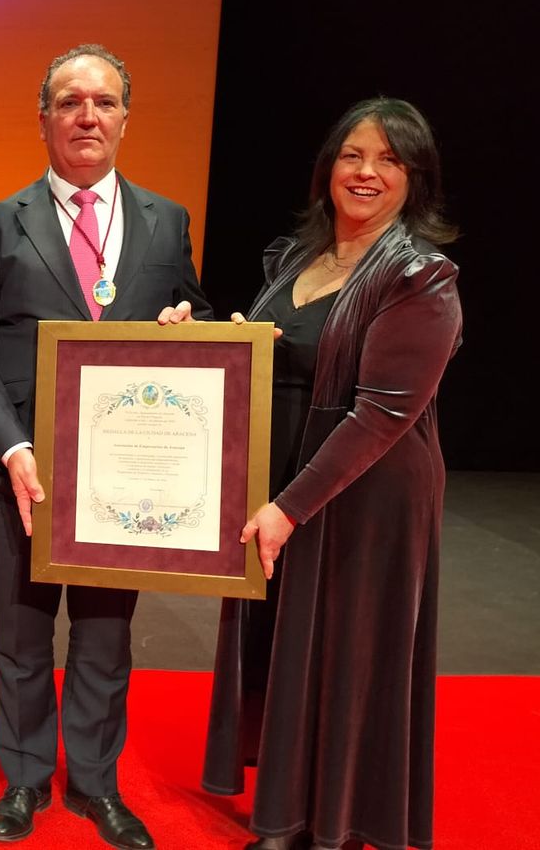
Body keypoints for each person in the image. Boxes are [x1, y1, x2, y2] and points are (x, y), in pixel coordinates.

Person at [0, 43, 212, 848]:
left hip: (125, 482)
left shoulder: (168, 221)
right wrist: (14, 449)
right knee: (22, 634)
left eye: (102, 102)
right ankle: (25, 779)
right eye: (69, 102)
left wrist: (188, 328)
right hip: (20, 471)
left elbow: (192, 316)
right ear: (44, 120)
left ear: (125, 118)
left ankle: (96, 784)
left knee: (105, 634)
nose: (86, 116)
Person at [193, 98, 461, 850]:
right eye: (353, 155)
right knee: (289, 643)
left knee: (345, 652)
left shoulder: (421, 277)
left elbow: (380, 414)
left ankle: (331, 826)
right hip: (286, 478)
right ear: (328, 167)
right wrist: (207, 340)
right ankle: (287, 814)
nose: (367, 172)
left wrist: (288, 508)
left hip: (365, 493)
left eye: (389, 160)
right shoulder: (295, 259)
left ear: (416, 180)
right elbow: (282, 357)